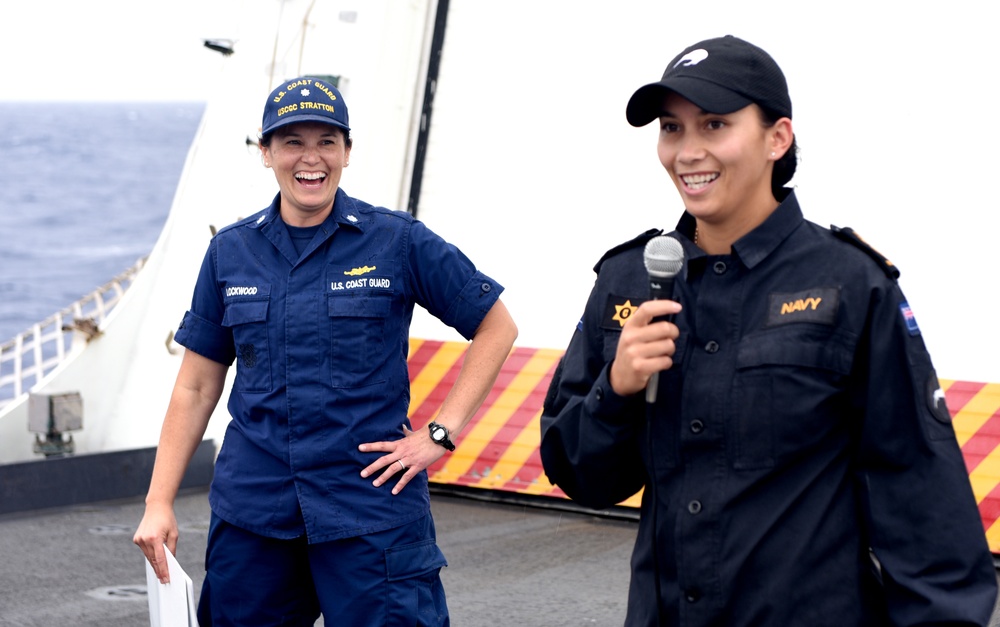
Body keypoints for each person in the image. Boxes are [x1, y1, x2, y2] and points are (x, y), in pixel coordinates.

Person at [539, 35, 997, 626]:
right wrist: (616, 389)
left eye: (714, 125)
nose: (687, 152)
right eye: (672, 129)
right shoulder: (631, 281)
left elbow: (919, 495)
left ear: (777, 137)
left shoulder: (850, 283)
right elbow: (581, 476)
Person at [133, 76, 517, 626]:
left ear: (347, 151)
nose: (310, 159)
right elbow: (196, 385)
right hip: (254, 516)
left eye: (326, 141)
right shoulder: (230, 253)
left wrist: (440, 434)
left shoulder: (397, 241)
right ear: (265, 153)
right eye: (292, 142)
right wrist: (158, 501)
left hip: (370, 511)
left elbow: (496, 327)